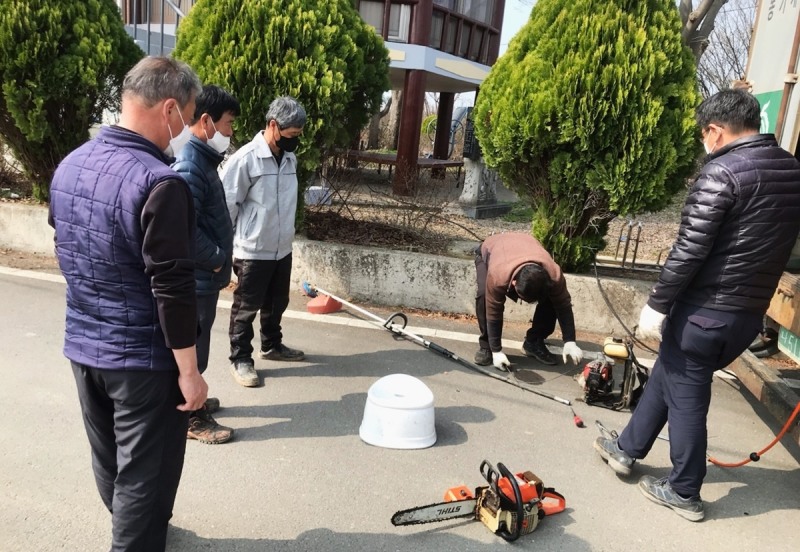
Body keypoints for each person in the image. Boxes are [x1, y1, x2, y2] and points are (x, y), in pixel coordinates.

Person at [594, 89, 800, 522]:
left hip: (705, 312)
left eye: (704, 134)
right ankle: (627, 448)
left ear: (715, 131)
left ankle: (684, 490)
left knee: (687, 395)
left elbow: (689, 249)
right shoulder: (790, 169)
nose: (704, 143)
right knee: (670, 371)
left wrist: (657, 304)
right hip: (746, 315)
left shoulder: (722, 172)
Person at [48, 56, 208, 551]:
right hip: (143, 359)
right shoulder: (161, 183)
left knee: (111, 460)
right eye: (188, 116)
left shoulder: (71, 164)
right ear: (169, 109)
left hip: (84, 347)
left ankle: (139, 531)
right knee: (145, 473)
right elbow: (173, 288)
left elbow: (65, 246)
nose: (187, 129)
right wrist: (190, 372)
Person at [222, 96, 307, 387]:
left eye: (298, 134)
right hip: (253, 250)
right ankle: (240, 358)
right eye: (292, 134)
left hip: (281, 247)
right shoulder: (246, 159)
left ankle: (271, 345)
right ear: (273, 126)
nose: (295, 140)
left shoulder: (290, 158)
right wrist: (226, 247)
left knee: (277, 302)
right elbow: (227, 206)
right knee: (246, 307)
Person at [172, 84, 240, 444]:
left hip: (204, 278)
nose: (230, 132)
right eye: (227, 123)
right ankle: (190, 417)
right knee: (193, 349)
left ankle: (193, 403)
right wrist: (215, 260)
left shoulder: (202, 159)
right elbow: (185, 228)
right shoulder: (190, 164)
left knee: (199, 343)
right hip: (197, 278)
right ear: (206, 121)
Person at [473, 232, 584, 371]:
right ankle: (487, 346)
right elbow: (493, 310)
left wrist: (570, 341)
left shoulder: (553, 274)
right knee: (484, 295)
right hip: (492, 250)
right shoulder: (498, 275)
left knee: (552, 298)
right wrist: (496, 350)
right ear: (514, 283)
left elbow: (563, 305)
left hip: (523, 248)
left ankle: (533, 342)